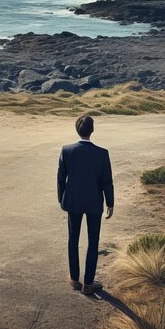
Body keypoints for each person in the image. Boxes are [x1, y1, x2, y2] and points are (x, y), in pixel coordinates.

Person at [57, 114, 114, 295]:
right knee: (93, 240)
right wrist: (110, 203)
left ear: (77, 129)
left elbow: (61, 178)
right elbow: (107, 181)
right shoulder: (102, 153)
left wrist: (61, 199)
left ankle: (74, 279)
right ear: (92, 130)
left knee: (73, 238)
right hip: (94, 203)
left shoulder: (66, 150)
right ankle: (88, 283)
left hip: (73, 201)